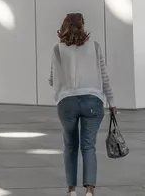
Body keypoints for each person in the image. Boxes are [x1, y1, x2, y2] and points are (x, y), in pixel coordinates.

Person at [49, 13, 116, 196]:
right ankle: (89, 190)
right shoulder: (95, 47)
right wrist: (111, 102)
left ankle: (71, 189)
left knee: (70, 146)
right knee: (89, 146)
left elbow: (52, 79)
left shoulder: (58, 49)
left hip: (67, 102)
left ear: (64, 26)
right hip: (92, 100)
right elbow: (104, 75)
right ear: (83, 26)